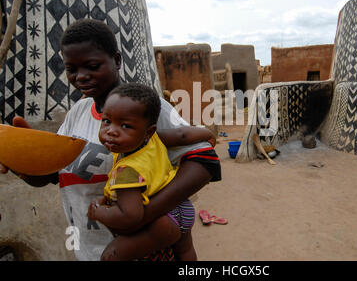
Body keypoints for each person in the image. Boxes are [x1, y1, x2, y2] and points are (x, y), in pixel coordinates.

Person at [0, 18, 221, 261]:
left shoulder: (143, 109)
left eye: (92, 66)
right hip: (88, 250)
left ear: (116, 60)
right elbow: (54, 174)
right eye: (72, 69)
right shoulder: (78, 114)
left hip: (142, 250)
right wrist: (21, 160)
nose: (81, 76)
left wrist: (141, 216)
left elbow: (205, 163)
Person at [88, 82, 215, 260]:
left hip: (161, 223)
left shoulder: (127, 171)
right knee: (185, 252)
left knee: (110, 256)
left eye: (125, 126)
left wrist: (98, 211)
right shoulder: (153, 140)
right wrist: (207, 133)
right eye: (107, 121)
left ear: (148, 131)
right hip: (182, 209)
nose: (111, 131)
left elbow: (130, 216)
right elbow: (182, 135)